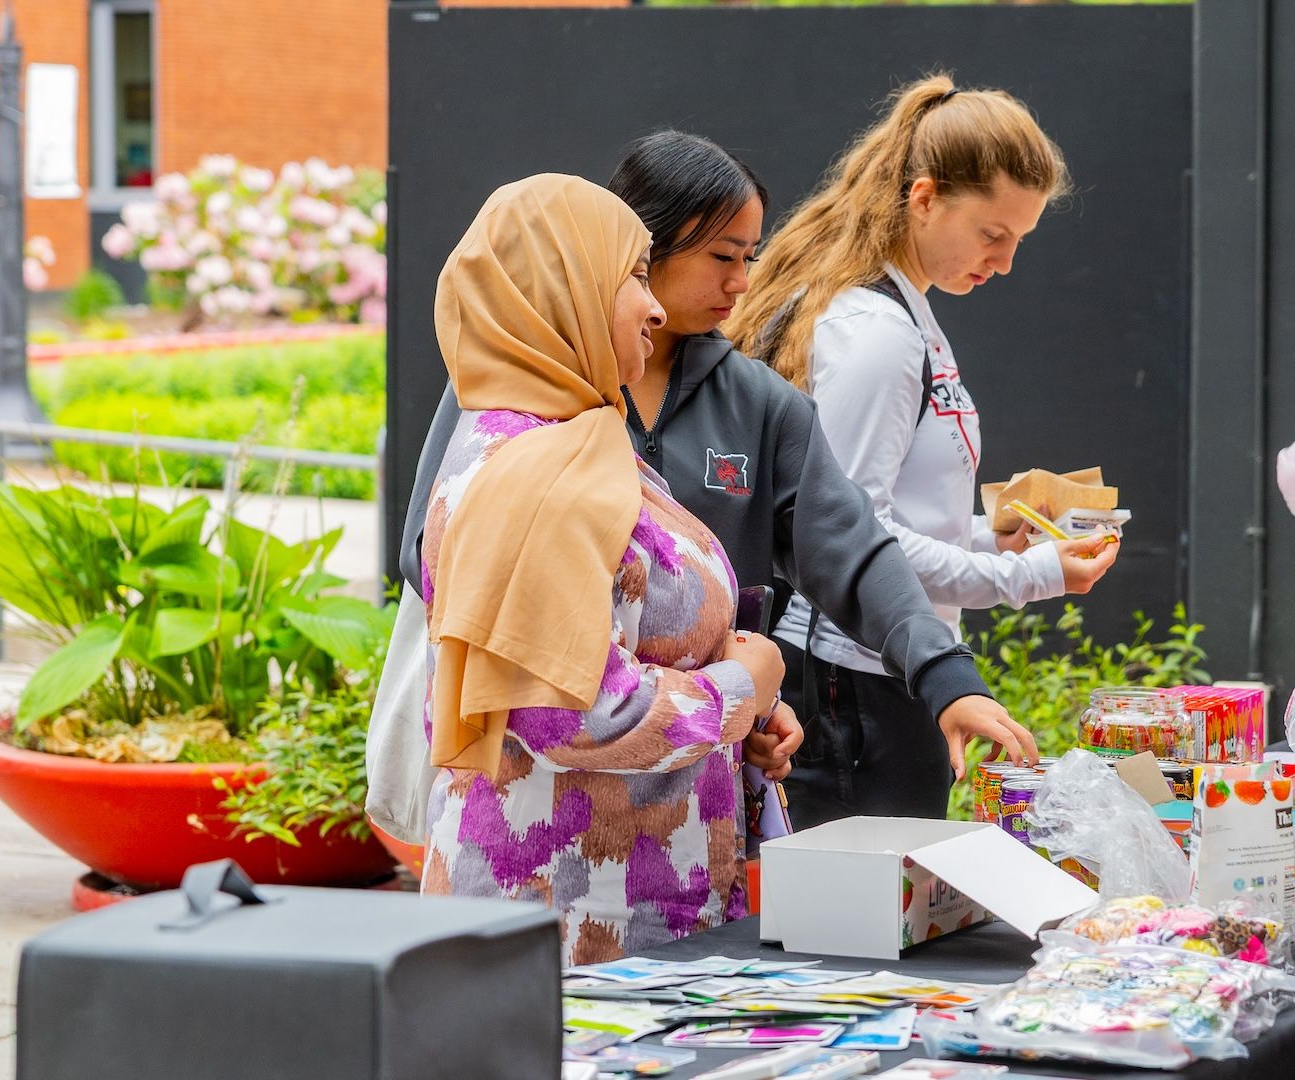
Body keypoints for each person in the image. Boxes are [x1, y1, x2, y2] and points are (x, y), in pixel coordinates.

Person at [395, 133, 1038, 823]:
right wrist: (718, 685)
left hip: (687, 811)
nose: (741, 282)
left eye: (750, 257)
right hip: (534, 815)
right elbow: (439, 559)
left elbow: (852, 548)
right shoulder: (517, 391)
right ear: (638, 246)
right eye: (722, 256)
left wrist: (941, 675)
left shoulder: (759, 405)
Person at [416, 174, 792, 963]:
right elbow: (571, 711)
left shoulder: (577, 440)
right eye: (633, 276)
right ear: (565, 288)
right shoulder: (532, 474)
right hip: (571, 932)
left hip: (622, 911)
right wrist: (740, 691)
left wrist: (744, 713)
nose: (653, 306)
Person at [726, 74, 1118, 824]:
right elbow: (849, 540)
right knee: (873, 896)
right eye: (992, 234)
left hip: (874, 672)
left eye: (1020, 239)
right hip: (851, 685)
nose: (1005, 261)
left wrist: (994, 538)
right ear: (925, 198)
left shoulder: (899, 313)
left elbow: (873, 523)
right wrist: (1029, 573)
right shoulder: (877, 334)